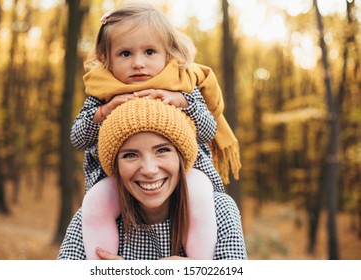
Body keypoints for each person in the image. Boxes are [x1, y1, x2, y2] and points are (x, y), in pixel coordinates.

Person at [68, 0, 241, 260]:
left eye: (149, 52)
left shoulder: (182, 86)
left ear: (168, 53)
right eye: (125, 54)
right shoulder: (101, 93)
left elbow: (208, 130)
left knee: (199, 196)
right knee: (95, 203)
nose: (138, 63)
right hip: (115, 178)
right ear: (107, 59)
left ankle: (200, 263)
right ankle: (100, 263)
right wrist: (103, 112)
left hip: (188, 173)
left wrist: (185, 102)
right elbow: (77, 138)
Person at [59, 98, 247, 260]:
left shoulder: (220, 211)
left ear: (182, 157)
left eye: (163, 150)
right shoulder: (92, 219)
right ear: (115, 166)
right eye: (130, 155)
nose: (149, 170)